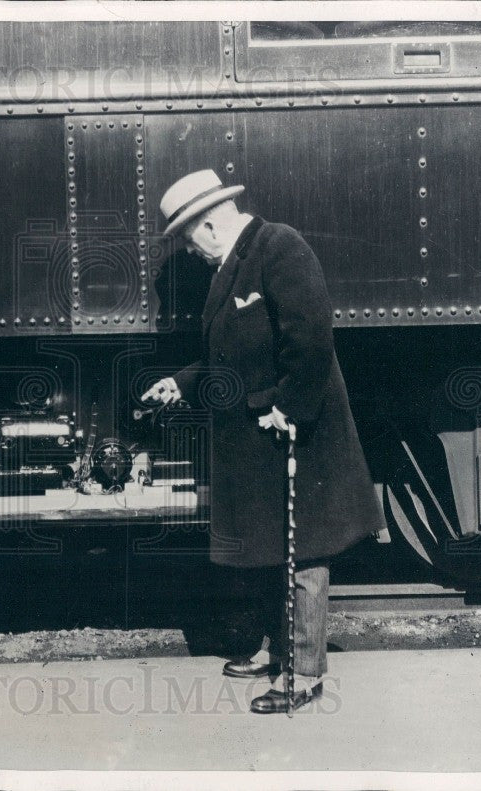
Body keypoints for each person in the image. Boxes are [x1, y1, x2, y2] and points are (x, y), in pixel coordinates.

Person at [143, 169, 384, 713]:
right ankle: (276, 650)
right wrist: (182, 382)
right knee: (274, 545)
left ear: (207, 224)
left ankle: (303, 673)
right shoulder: (232, 263)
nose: (189, 248)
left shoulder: (278, 245)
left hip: (297, 430)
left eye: (186, 235)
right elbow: (231, 354)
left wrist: (288, 407)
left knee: (304, 551)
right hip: (260, 436)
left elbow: (312, 337)